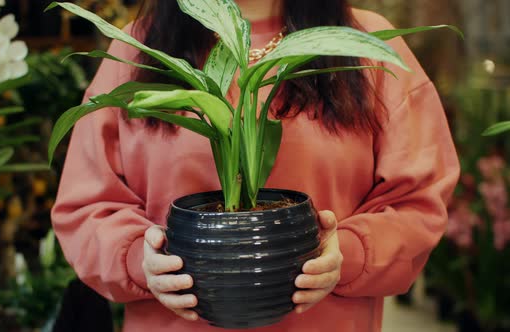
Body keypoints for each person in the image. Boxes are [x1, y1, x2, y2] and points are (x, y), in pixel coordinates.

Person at [51, 0, 460, 331]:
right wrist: (138, 260)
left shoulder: (364, 46)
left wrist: (347, 254)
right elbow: (87, 206)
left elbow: (417, 204)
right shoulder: (138, 48)